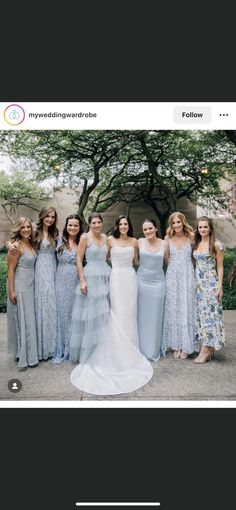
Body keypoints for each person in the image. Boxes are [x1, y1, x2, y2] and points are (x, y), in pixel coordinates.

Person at [69, 213, 153, 396]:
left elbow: (138, 261)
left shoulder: (133, 242)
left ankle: (131, 348)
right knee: (114, 311)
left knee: (130, 313)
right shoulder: (109, 241)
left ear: (129, 226)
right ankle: (112, 347)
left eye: (126, 224)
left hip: (129, 279)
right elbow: (91, 256)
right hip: (114, 278)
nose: (123, 226)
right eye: (120, 224)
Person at [162, 211, 198, 359]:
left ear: (183, 222)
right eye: (173, 223)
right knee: (174, 307)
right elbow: (166, 259)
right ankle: (176, 344)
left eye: (178, 222)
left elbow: (195, 257)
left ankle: (186, 345)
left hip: (187, 275)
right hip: (172, 276)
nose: (176, 225)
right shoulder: (167, 238)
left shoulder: (191, 236)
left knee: (186, 307)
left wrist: (188, 270)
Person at [193, 216, 226, 363]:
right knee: (202, 315)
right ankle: (208, 346)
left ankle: (206, 349)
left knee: (210, 316)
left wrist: (219, 287)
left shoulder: (217, 245)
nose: (202, 229)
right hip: (198, 286)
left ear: (210, 228)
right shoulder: (196, 242)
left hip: (211, 285)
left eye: (205, 227)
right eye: (200, 227)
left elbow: (220, 266)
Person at [7, 217, 38, 370]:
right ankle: (23, 354)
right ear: (18, 229)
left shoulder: (30, 243)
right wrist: (12, 291)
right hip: (20, 286)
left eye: (28, 227)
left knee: (29, 320)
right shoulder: (16, 246)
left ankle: (29, 352)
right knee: (23, 320)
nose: (26, 230)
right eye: (23, 228)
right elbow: (11, 269)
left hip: (31, 286)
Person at [52, 214, 83, 363]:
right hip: (60, 281)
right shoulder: (57, 240)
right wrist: (10, 244)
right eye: (70, 225)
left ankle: (73, 348)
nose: (72, 228)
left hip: (76, 280)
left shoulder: (83, 242)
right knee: (62, 313)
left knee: (74, 313)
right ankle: (62, 346)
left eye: (76, 225)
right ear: (66, 226)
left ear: (80, 227)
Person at [137, 219, 167, 361]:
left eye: (150, 228)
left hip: (157, 283)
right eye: (145, 229)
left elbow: (167, 262)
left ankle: (153, 349)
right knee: (141, 315)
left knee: (155, 315)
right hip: (141, 282)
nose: (147, 231)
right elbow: (136, 261)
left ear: (155, 228)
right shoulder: (140, 242)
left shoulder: (164, 243)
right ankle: (139, 347)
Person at [34, 206, 59, 360]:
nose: (50, 219)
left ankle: (52, 345)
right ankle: (41, 347)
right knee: (42, 304)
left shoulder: (54, 233)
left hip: (53, 269)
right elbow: (17, 239)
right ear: (42, 216)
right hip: (40, 270)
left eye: (52, 217)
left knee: (51, 305)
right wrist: (11, 246)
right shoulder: (34, 231)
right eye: (47, 216)